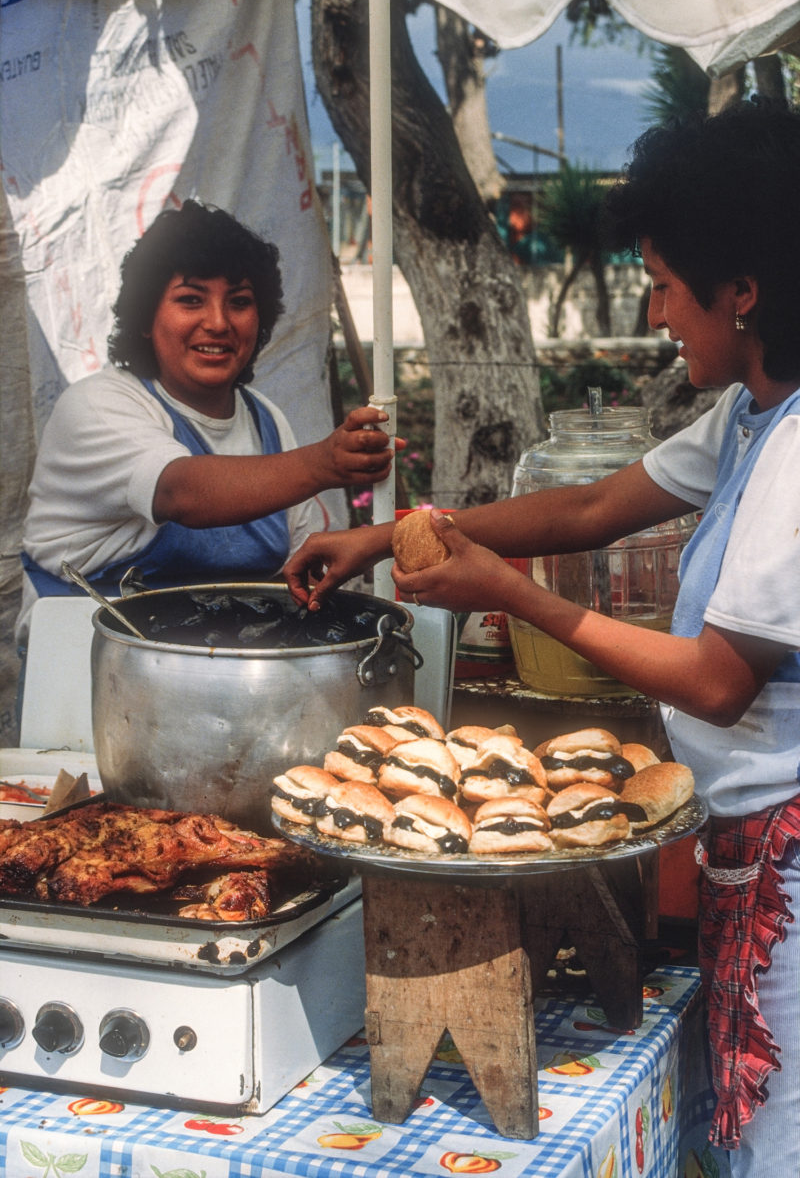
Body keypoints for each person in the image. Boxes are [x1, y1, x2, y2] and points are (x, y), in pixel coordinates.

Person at [285, 102, 800, 1175]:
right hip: (743, 852)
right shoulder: (749, 413)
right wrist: (391, 534)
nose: (654, 308)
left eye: (663, 280)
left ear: (741, 292)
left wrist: (510, 599)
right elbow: (581, 510)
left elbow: (713, 682)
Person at [17, 200, 396, 646]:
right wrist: (324, 463)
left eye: (239, 302)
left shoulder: (267, 421)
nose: (217, 323)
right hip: (82, 673)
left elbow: (300, 565)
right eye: (190, 300)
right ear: (145, 318)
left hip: (214, 681)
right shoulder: (97, 405)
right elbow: (183, 492)